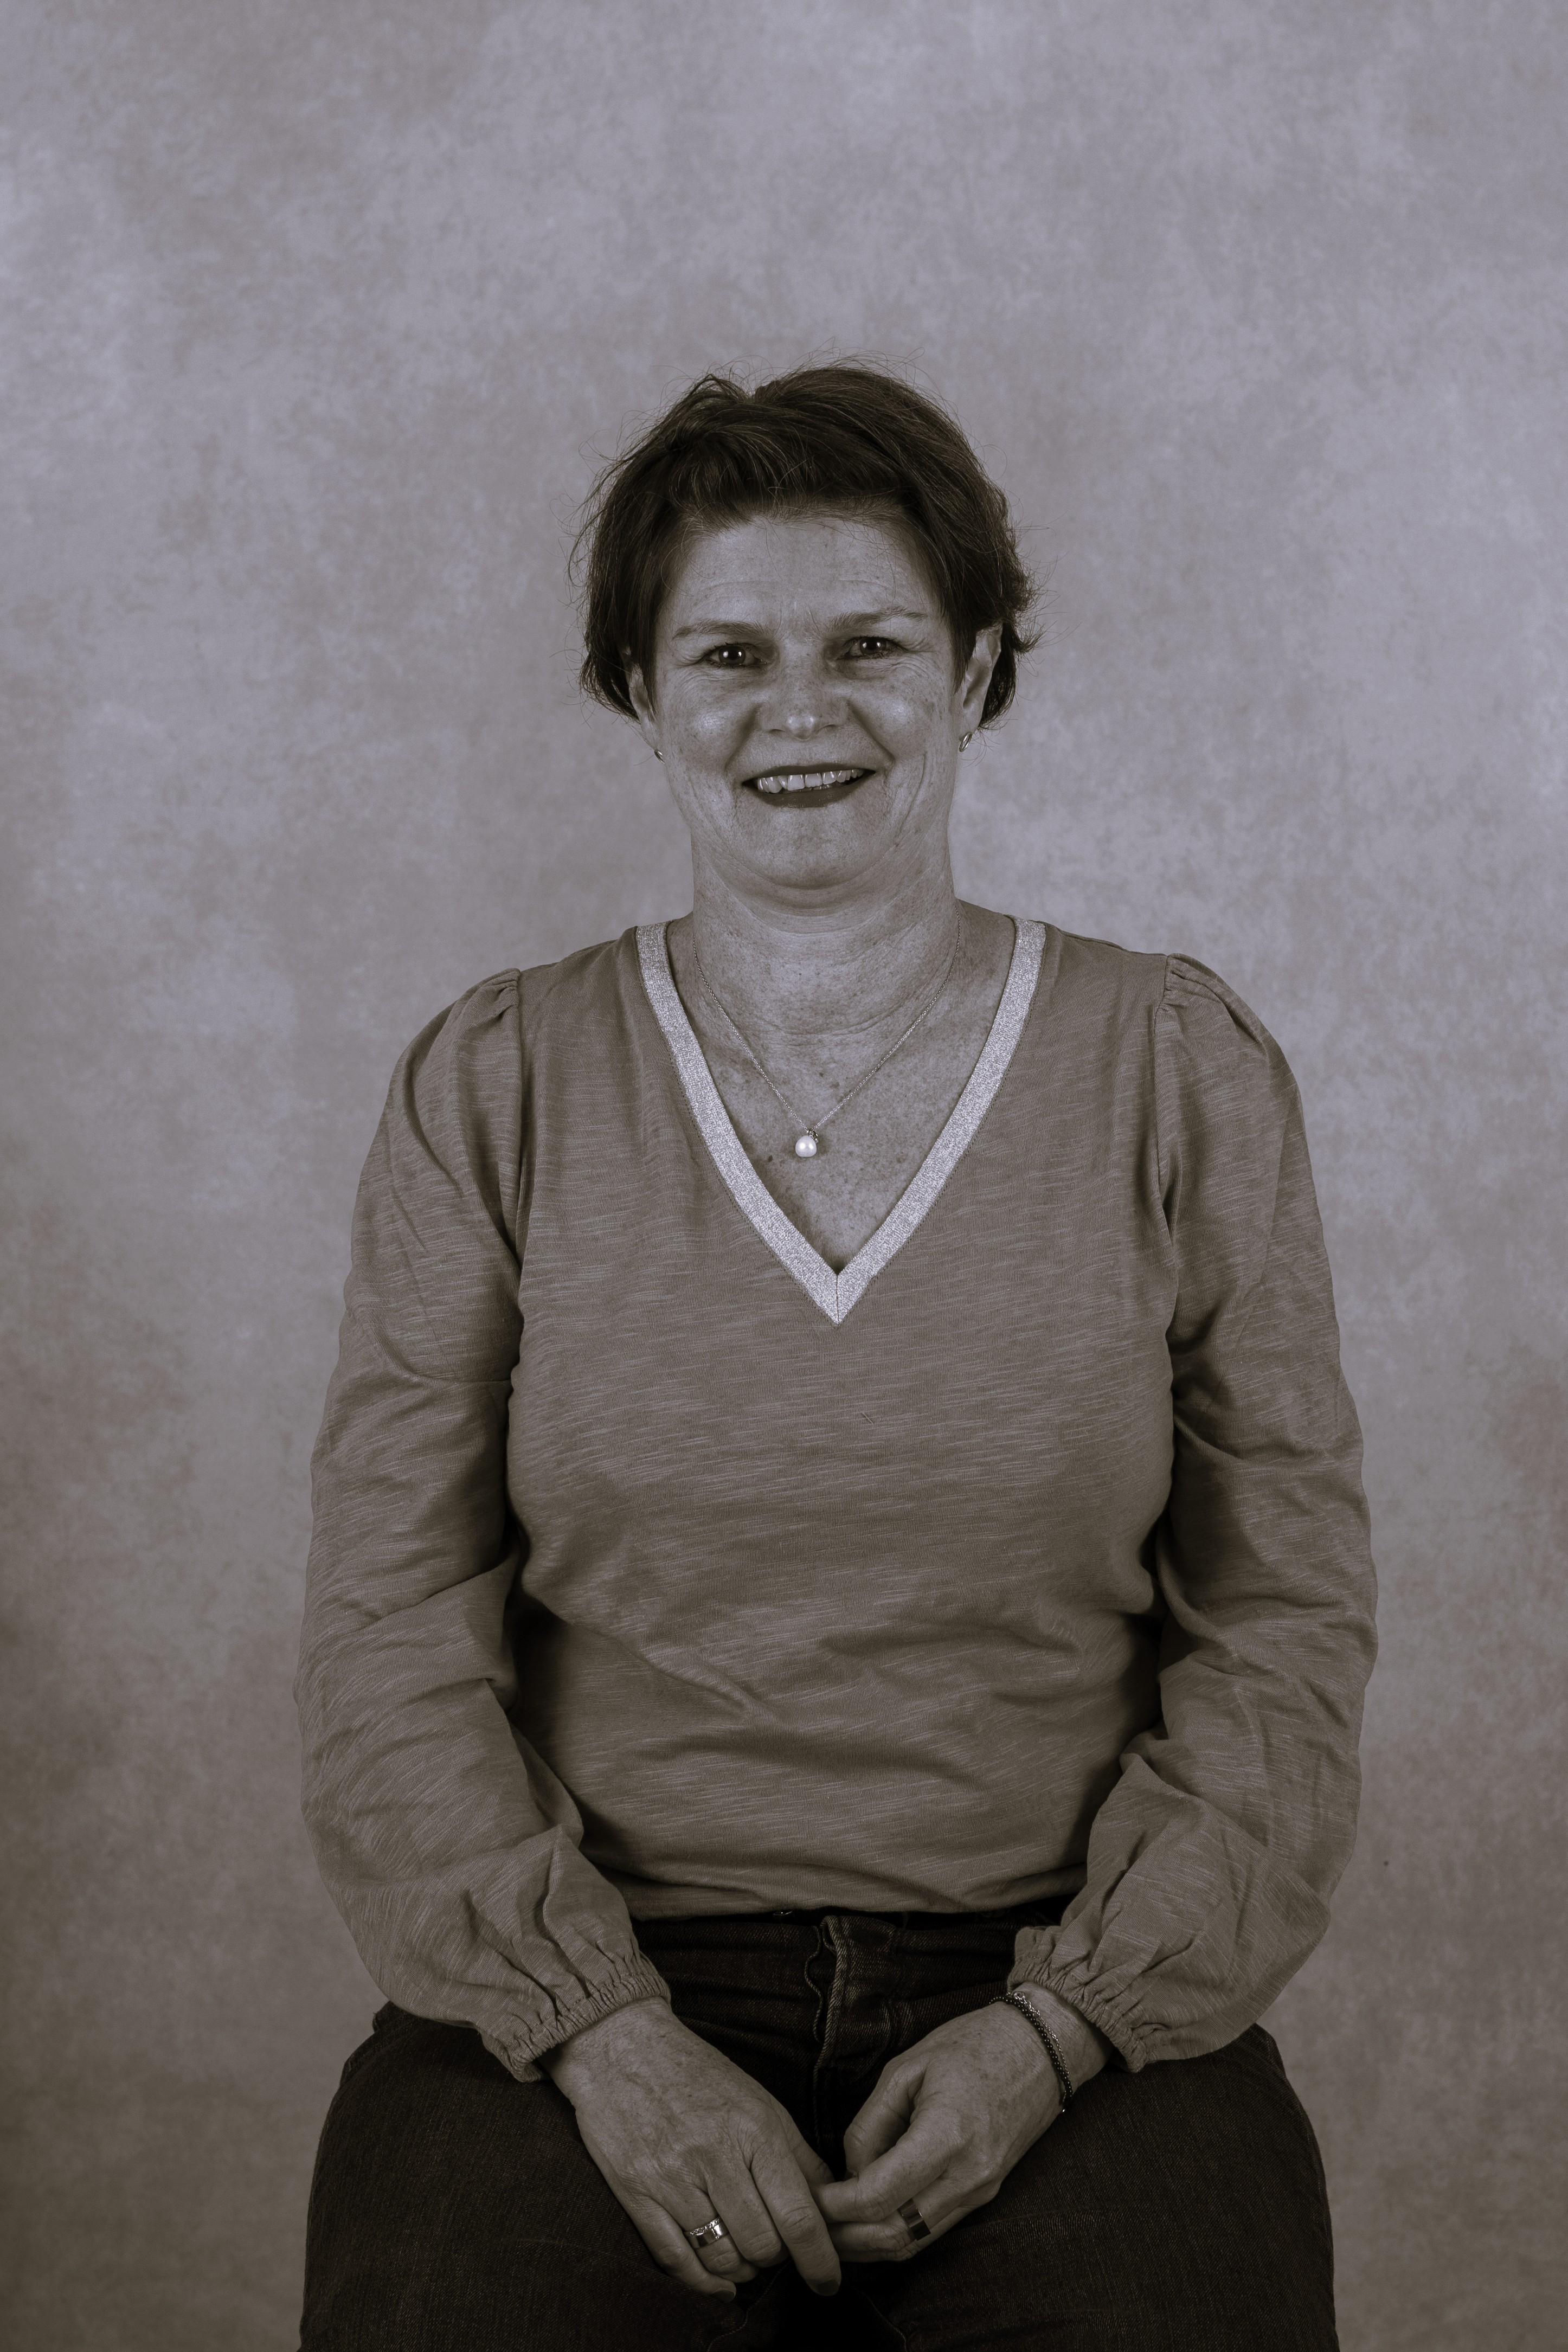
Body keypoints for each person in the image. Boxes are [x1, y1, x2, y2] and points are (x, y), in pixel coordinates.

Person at [295, 362, 1377, 2351]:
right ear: (640, 694)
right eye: (728, 653)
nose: (800, 707)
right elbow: (386, 1630)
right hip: (598, 1967)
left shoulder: (1174, 1070)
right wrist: (602, 2030)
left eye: (869, 644)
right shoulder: (496, 1082)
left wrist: (1064, 2023)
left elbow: (1280, 1622)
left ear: (973, 672)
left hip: (1052, 1963)